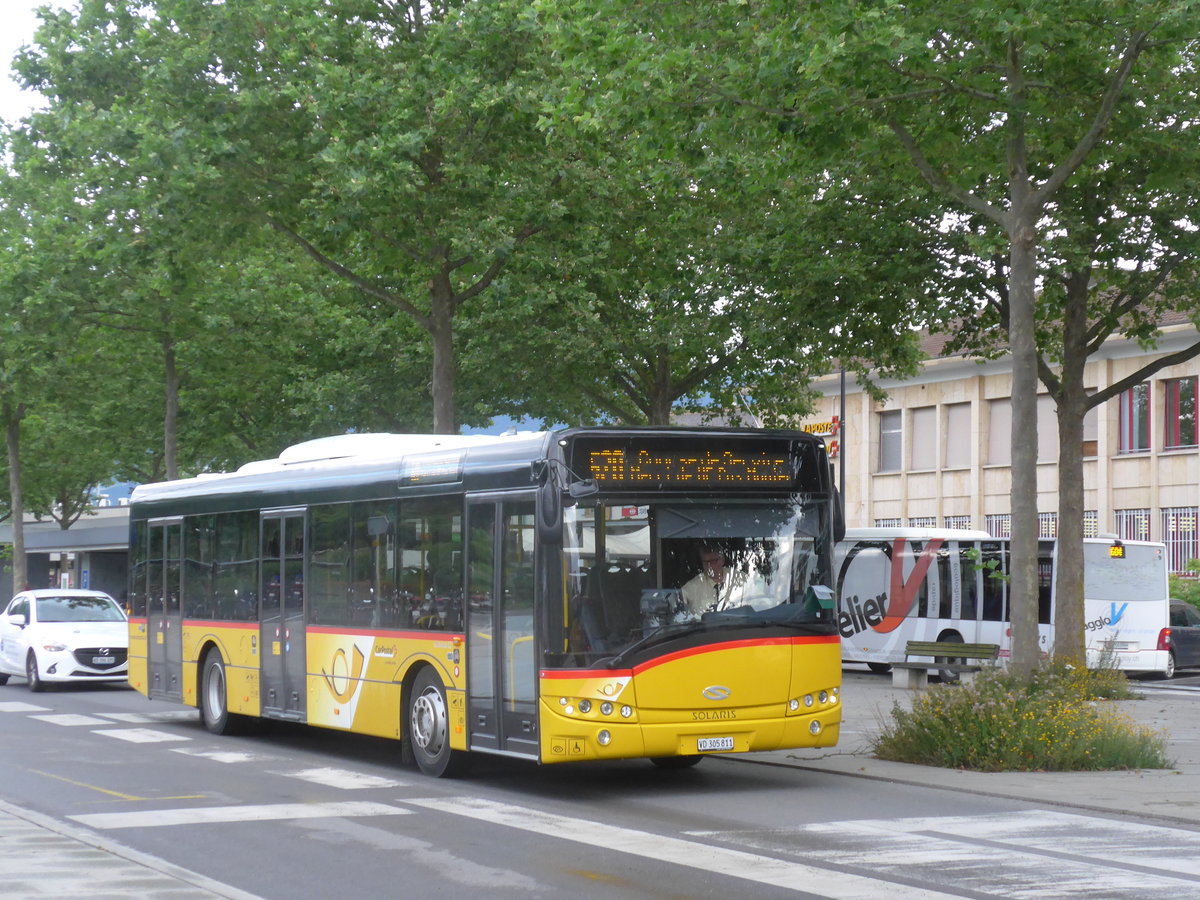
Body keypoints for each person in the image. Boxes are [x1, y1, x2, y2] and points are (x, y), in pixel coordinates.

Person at [680, 545, 744, 615]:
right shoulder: (689, 589)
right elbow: (681, 618)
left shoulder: (741, 578)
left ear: (722, 560)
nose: (710, 565)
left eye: (714, 561)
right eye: (706, 562)